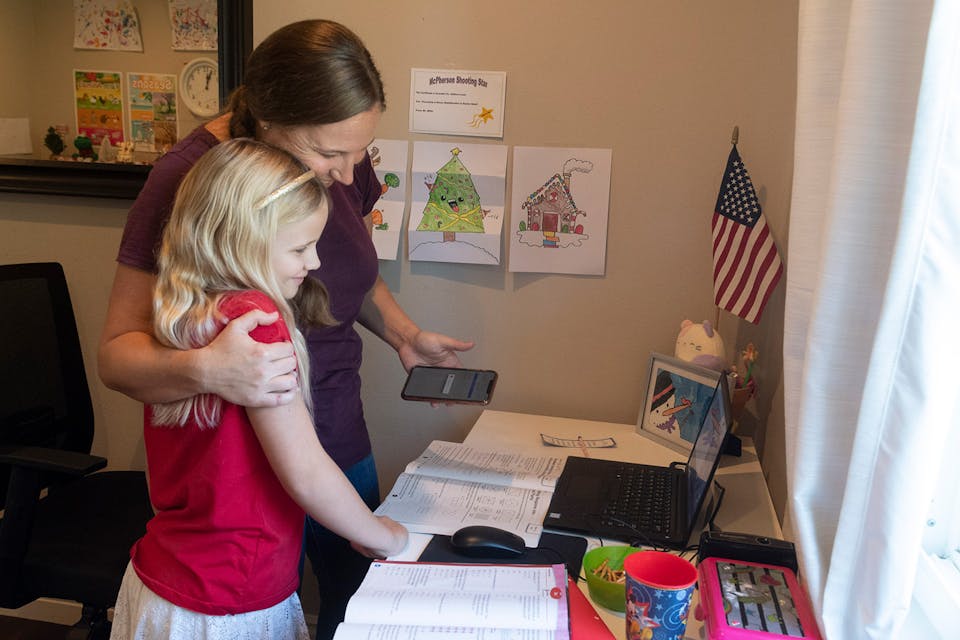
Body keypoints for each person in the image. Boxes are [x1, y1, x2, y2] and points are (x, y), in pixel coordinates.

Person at [98, 19, 473, 639]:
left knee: (352, 605)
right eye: (331, 155)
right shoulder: (199, 189)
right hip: (245, 510)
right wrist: (208, 370)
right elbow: (118, 356)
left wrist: (404, 335)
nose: (350, 175)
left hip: (328, 440)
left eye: (360, 154)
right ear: (269, 124)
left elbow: (349, 267)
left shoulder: (325, 183)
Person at [109, 138, 408, 640]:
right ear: (239, 237)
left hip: (163, 583)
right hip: (230, 599)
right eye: (298, 247)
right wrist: (381, 535)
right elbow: (306, 471)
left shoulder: (183, 307)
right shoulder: (254, 322)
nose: (313, 262)